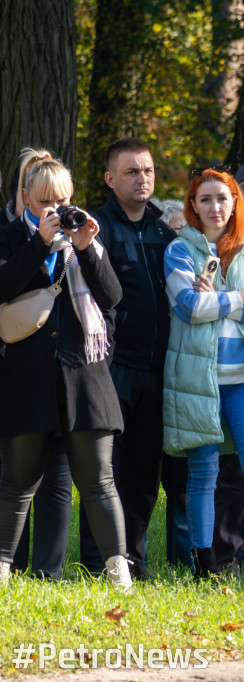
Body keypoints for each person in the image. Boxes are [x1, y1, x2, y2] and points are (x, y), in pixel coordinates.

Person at [0, 148, 131, 589]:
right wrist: (38, 242)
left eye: (63, 200)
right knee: (17, 482)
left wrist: (88, 247)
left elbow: (111, 297)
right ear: (24, 198)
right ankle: (2, 569)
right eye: (44, 203)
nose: (54, 210)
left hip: (83, 378)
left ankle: (119, 571)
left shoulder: (84, 241)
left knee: (99, 481)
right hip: (26, 379)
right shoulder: (9, 237)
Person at [163, 168, 244, 578]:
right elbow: (189, 308)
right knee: (204, 471)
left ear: (236, 203)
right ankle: (203, 562)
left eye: (222, 198)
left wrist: (218, 299)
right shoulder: (179, 251)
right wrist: (241, 296)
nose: (215, 207)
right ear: (193, 206)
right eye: (205, 199)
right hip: (198, 380)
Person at [78, 138, 181, 579]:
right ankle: (96, 561)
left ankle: (133, 562)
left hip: (158, 371)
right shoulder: (96, 228)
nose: (143, 179)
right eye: (132, 172)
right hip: (110, 369)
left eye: (148, 171)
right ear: (110, 179)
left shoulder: (165, 232)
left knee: (143, 475)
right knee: (105, 472)